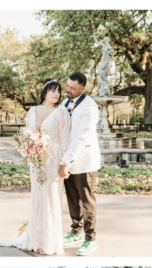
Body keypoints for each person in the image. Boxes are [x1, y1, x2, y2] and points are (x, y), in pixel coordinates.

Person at [0, 79, 70, 256]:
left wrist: (65, 163)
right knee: (38, 197)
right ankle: (36, 238)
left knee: (51, 197)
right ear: (44, 92)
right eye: (52, 90)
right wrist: (28, 146)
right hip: (36, 159)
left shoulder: (61, 111)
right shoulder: (32, 111)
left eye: (59, 91)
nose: (56, 94)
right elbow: (27, 133)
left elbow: (65, 140)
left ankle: (49, 241)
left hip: (53, 159)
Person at [60, 72, 101, 256]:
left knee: (86, 200)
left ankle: (90, 239)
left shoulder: (90, 107)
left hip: (84, 162)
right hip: (66, 160)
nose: (68, 90)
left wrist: (65, 161)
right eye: (67, 86)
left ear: (82, 88)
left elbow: (82, 138)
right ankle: (75, 231)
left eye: (72, 88)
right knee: (72, 198)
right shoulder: (64, 102)